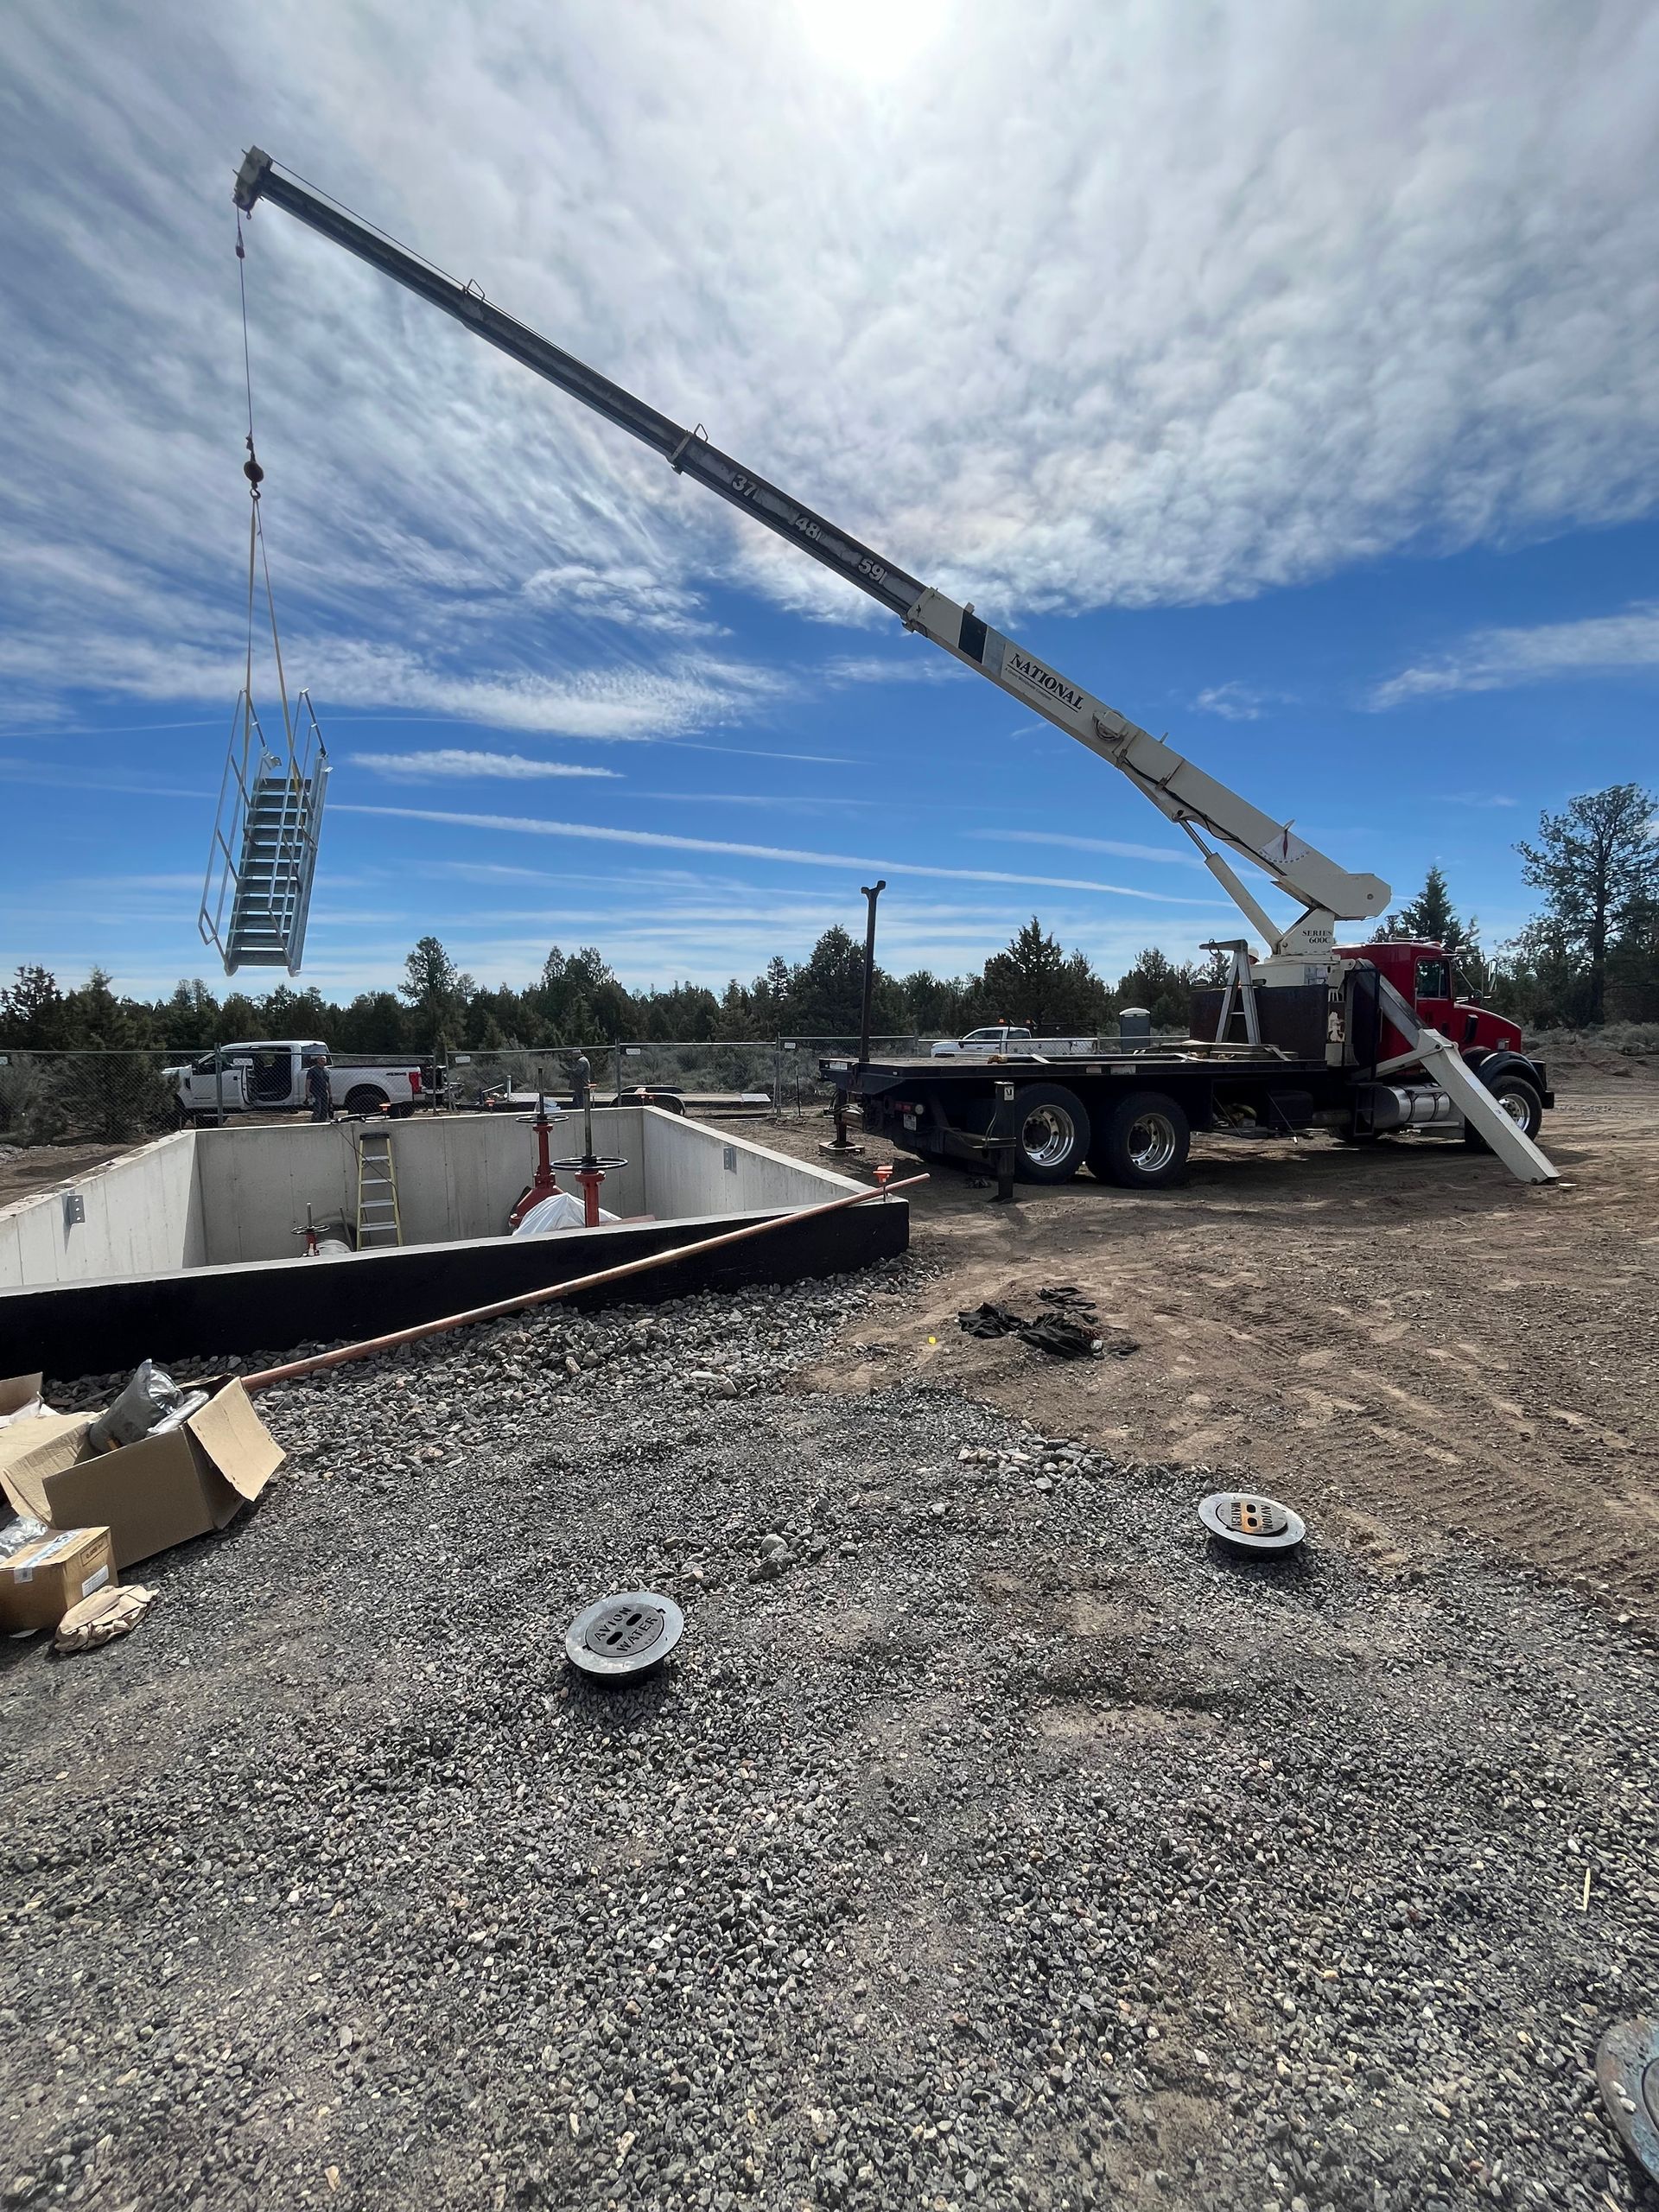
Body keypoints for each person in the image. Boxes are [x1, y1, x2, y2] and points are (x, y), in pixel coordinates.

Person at [304, 1049, 333, 1122]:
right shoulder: (312, 1070)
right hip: (315, 1093)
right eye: (321, 1059)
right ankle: (315, 1123)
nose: (323, 1060)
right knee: (317, 1109)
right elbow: (308, 1082)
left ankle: (323, 1122)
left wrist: (330, 1093)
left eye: (324, 1059)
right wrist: (307, 1092)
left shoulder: (327, 1070)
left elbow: (328, 1082)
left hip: (324, 1093)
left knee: (324, 1109)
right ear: (317, 1060)